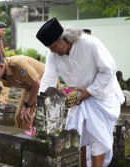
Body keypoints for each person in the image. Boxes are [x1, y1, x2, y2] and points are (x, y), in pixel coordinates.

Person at [36, 18, 124, 167]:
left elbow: (108, 70)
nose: (51, 50)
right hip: (78, 99)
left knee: (98, 138)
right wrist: (38, 108)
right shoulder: (52, 55)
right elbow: (47, 80)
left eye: (53, 46)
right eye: (48, 47)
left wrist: (89, 91)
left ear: (63, 39)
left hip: (101, 96)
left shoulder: (90, 43)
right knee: (77, 136)